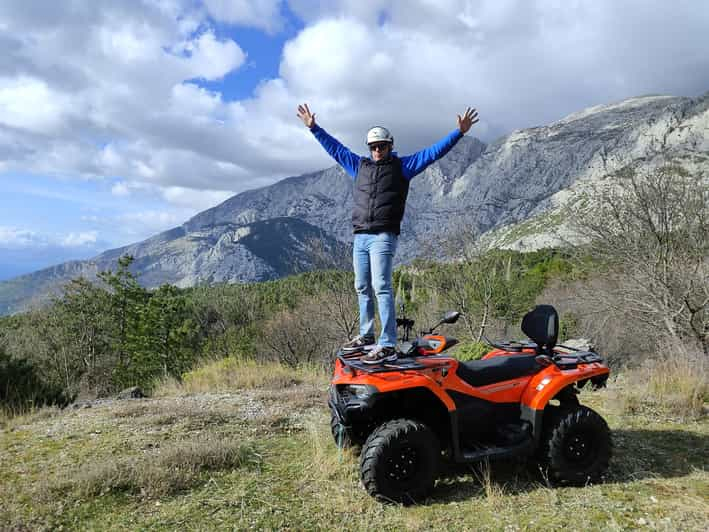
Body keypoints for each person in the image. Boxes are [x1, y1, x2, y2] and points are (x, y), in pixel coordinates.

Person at [297, 103, 479, 363]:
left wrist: (458, 133)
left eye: (382, 145)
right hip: (360, 236)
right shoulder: (359, 166)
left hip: (383, 236)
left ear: (390, 145)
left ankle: (388, 342)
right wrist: (314, 128)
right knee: (361, 286)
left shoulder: (403, 167)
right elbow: (336, 149)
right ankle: (366, 335)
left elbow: (432, 153)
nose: (377, 150)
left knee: (381, 286)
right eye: (373, 146)